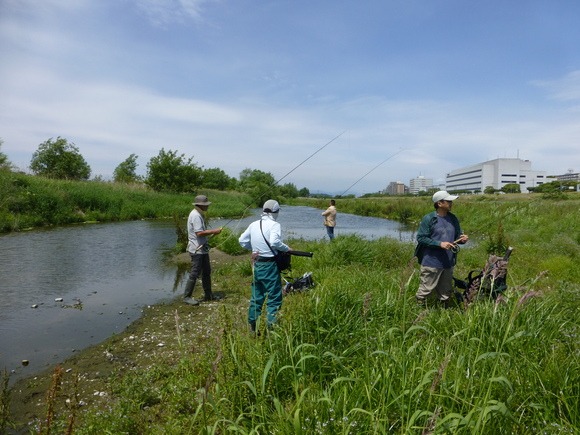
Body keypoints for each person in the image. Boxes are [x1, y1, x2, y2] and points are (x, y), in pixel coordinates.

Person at [239, 199, 291, 332]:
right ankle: (271, 328)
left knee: (257, 296)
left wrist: (254, 250)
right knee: (274, 297)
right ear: (275, 212)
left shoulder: (254, 224)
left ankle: (252, 326)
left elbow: (242, 240)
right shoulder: (275, 225)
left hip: (257, 265)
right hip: (269, 265)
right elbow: (274, 242)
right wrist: (287, 249)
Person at [414, 190, 469, 307]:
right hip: (431, 262)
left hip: (448, 262)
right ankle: (419, 311)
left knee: (446, 291)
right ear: (439, 203)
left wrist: (462, 239)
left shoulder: (453, 218)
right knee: (426, 290)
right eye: (448, 201)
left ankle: (443, 311)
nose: (451, 203)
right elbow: (421, 238)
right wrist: (440, 244)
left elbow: (457, 236)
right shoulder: (429, 219)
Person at [183, 195, 223, 306]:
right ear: (200, 205)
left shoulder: (197, 214)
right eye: (206, 205)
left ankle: (208, 295)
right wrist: (214, 231)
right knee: (195, 272)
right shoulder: (195, 215)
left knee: (206, 272)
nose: (207, 206)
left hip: (202, 249)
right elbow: (199, 233)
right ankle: (187, 297)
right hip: (196, 250)